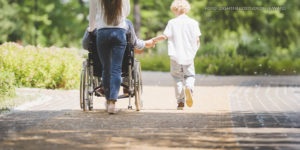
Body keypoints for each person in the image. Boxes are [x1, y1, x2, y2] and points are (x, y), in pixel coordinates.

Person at [88, 0, 154, 114]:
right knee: (116, 69)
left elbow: (92, 14)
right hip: (119, 31)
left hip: (102, 32)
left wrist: (91, 28)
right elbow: (126, 13)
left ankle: (108, 101)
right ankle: (112, 103)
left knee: (106, 68)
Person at [152, 0, 201, 110]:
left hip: (175, 55)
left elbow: (164, 36)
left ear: (174, 9)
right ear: (186, 9)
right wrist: (194, 51)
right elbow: (197, 40)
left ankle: (180, 101)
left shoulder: (172, 22)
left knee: (177, 78)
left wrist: (154, 40)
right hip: (189, 54)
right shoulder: (193, 23)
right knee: (190, 76)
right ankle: (189, 87)